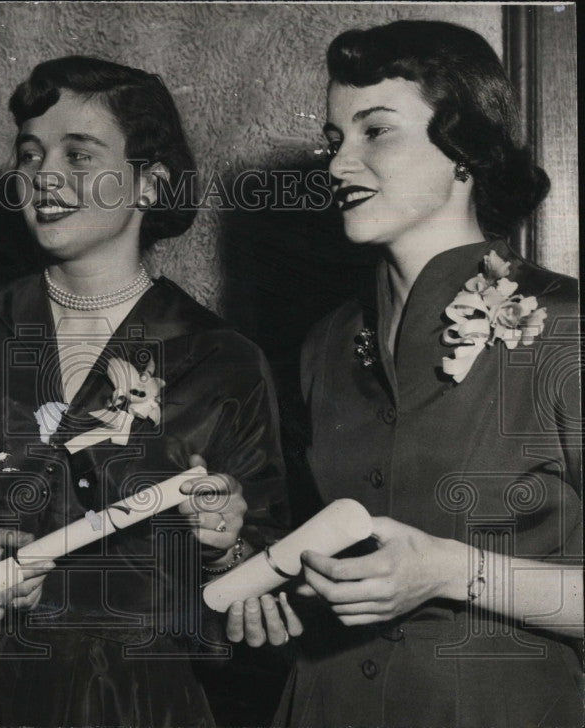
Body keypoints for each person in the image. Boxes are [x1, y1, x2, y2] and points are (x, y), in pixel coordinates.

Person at [0, 56, 289, 727]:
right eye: (31, 153)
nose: (44, 175)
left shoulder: (225, 361)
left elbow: (262, 565)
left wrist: (227, 543)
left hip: (147, 705)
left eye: (79, 155)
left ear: (151, 182)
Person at [227, 20, 583, 727]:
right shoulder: (324, 343)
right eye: (335, 140)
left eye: (376, 132)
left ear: (465, 150)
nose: (337, 166)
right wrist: (261, 576)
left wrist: (454, 573)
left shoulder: (567, 325)